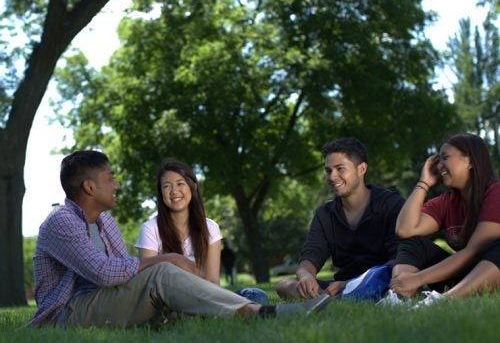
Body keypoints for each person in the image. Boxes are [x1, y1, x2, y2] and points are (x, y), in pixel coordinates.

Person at [27, 150, 330, 328]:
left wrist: (165, 270)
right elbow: (106, 272)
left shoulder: (104, 220)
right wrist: (170, 259)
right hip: (67, 313)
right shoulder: (61, 222)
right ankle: (260, 313)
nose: (117, 184)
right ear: (89, 187)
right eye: (110, 178)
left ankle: (243, 308)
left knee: (164, 278)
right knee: (162, 271)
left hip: (103, 301)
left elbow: (123, 268)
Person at [276, 138, 405, 300]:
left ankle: (332, 300)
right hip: (340, 285)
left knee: (396, 278)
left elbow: (400, 259)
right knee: (285, 285)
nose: (332, 177)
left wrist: (351, 283)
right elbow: (310, 256)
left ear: (362, 169)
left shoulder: (391, 204)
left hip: (383, 279)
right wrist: (305, 275)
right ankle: (330, 299)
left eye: (340, 169)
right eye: (328, 171)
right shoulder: (325, 214)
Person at [134, 158, 269, 305]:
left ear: (192, 187)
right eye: (166, 186)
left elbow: (212, 281)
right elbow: (148, 283)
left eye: (180, 183)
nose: (174, 191)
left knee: (257, 296)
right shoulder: (149, 228)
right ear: (160, 193)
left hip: (205, 296)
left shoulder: (210, 227)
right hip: (169, 301)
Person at [390, 133, 500, 305]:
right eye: (438, 160)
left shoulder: (495, 193)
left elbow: (474, 251)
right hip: (464, 279)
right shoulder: (447, 201)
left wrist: (419, 278)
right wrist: (424, 182)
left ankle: (441, 302)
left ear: (470, 160)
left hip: (492, 276)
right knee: (413, 243)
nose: (439, 165)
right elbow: (404, 230)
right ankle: (398, 298)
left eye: (445, 158)